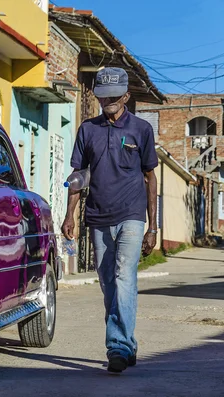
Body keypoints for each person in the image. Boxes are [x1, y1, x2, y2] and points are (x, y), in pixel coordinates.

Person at [61, 67, 158, 373]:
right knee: (108, 283)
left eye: (114, 97)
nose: (108, 102)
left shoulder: (141, 129)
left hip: (131, 214)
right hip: (99, 216)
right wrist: (69, 216)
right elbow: (78, 177)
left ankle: (117, 346)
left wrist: (152, 226)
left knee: (123, 276)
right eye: (103, 97)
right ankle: (126, 341)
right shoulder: (87, 130)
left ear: (126, 96)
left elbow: (149, 177)